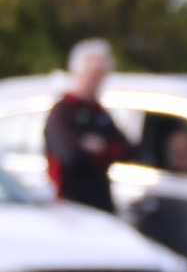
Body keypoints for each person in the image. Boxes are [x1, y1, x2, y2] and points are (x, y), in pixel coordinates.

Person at [43, 39, 131, 213]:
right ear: (77, 73)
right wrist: (97, 151)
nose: (96, 81)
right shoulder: (63, 111)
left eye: (101, 75)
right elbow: (70, 154)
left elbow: (126, 148)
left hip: (100, 202)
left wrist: (102, 148)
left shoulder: (99, 113)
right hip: (70, 204)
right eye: (92, 74)